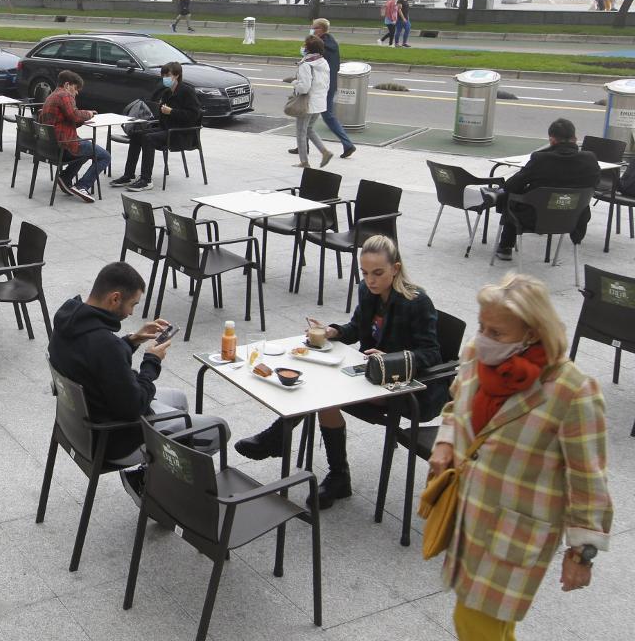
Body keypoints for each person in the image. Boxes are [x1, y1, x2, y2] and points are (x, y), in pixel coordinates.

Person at [429, 273, 612, 641]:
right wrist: (446, 442)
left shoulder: (572, 391)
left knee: (474, 623)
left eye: (496, 333)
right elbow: (454, 404)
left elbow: (588, 479)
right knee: (492, 625)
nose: (483, 339)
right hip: (469, 516)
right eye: (482, 327)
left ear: (533, 332)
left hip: (514, 535)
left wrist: (582, 554)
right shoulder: (476, 355)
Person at [236, 235, 443, 509]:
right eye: (365, 273)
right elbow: (357, 328)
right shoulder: (367, 291)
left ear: (395, 268)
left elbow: (431, 353)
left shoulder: (416, 302)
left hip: (400, 387)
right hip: (369, 375)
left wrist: (392, 359)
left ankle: (283, 442)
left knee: (321, 393)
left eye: (378, 273)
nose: (370, 280)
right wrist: (334, 332)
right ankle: (334, 474)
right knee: (314, 381)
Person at [48, 262, 223, 469]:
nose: (131, 313)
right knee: (219, 429)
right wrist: (152, 362)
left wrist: (132, 340)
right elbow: (134, 406)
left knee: (179, 399)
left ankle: (154, 477)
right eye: (133, 304)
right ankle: (152, 482)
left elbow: (93, 358)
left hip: (77, 427)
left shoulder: (68, 322)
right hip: (111, 440)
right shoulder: (105, 344)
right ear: (115, 298)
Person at [492, 118, 600, 261]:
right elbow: (595, 184)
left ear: (552, 140)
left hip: (534, 218)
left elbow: (512, 185)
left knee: (510, 197)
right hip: (573, 218)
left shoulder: (540, 159)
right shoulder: (590, 159)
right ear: (575, 139)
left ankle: (506, 247)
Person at [110, 61, 201, 192]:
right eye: (163, 75)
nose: (165, 78)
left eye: (167, 75)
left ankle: (146, 180)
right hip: (166, 128)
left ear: (176, 75)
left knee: (148, 138)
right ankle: (129, 175)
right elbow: (162, 117)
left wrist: (171, 112)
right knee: (136, 134)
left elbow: (194, 115)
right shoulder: (166, 92)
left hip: (180, 133)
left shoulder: (187, 91)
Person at [38, 69, 109, 203]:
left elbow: (67, 120)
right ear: (67, 85)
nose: (76, 92)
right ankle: (82, 186)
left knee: (87, 148)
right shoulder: (64, 95)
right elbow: (74, 115)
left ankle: (65, 177)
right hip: (64, 146)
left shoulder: (52, 96)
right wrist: (88, 114)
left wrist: (81, 119)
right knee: (104, 156)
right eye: (75, 89)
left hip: (51, 147)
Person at [298, 18, 355, 159]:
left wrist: (305, 54)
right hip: (328, 84)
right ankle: (303, 145)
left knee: (323, 115)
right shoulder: (331, 43)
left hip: (319, 87)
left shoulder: (321, 46)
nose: (312, 29)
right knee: (317, 116)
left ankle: (347, 144)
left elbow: (312, 63)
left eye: (314, 27)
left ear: (321, 29)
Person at [290, 34, 333, 168]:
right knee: (308, 129)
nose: (303, 47)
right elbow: (326, 84)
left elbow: (304, 88)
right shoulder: (323, 62)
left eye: (304, 45)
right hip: (320, 103)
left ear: (308, 49)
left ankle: (304, 162)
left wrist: (294, 82)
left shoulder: (306, 65)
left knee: (301, 132)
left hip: (307, 104)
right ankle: (324, 152)